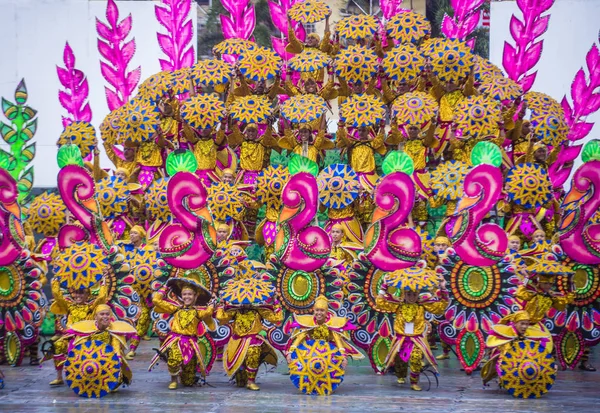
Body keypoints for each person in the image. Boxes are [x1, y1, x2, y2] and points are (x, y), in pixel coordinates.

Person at [376, 266, 449, 391]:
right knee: (399, 360)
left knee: (415, 358)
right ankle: (401, 375)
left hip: (417, 338)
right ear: (404, 293)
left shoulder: (422, 305)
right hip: (401, 338)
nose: (411, 297)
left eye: (414, 294)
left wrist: (443, 288)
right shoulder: (397, 305)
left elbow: (441, 306)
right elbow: (380, 302)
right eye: (408, 294)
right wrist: (384, 286)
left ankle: (414, 382)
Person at [150, 278, 216, 389]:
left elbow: (209, 311)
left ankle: (186, 376)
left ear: (195, 296)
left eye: (190, 294)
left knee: (188, 381)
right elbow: (156, 301)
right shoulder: (176, 309)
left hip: (190, 343)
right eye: (184, 294)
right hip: (175, 340)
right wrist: (165, 287)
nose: (187, 297)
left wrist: (212, 301)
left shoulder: (198, 312)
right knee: (174, 358)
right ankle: (174, 380)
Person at [216, 297, 283, 391]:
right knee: (240, 382)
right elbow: (220, 317)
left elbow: (277, 318)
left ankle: (251, 381)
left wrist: (276, 303)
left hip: (253, 340)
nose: (245, 301)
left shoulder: (259, 310)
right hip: (238, 341)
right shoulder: (235, 310)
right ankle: (242, 376)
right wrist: (221, 305)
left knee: (253, 352)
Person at [48, 279, 107, 386]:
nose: (78, 296)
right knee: (58, 345)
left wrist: (103, 283)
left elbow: (101, 298)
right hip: (70, 336)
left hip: (86, 337)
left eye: (82, 293)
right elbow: (57, 296)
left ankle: (84, 374)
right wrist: (56, 281)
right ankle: (59, 377)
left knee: (81, 348)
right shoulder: (69, 306)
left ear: (87, 295)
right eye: (76, 292)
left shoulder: (90, 308)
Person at [69, 304, 137, 390]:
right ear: (95, 316)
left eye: (107, 314)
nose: (105, 316)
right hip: (89, 362)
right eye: (102, 314)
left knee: (117, 379)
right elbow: (81, 349)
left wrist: (118, 362)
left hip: (108, 361)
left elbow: (116, 349)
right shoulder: (86, 330)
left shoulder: (114, 330)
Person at [286, 295, 363, 369]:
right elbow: (300, 337)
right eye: (317, 310)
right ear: (314, 310)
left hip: (329, 351)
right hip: (312, 351)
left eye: (322, 310)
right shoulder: (309, 322)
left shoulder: (332, 323)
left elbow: (338, 340)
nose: (319, 313)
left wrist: (343, 357)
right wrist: (290, 352)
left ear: (326, 311)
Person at [480, 310, 552, 386]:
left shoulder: (529, 333)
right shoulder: (507, 333)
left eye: (527, 324)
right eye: (522, 324)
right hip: (506, 358)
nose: (524, 326)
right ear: (515, 323)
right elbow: (505, 356)